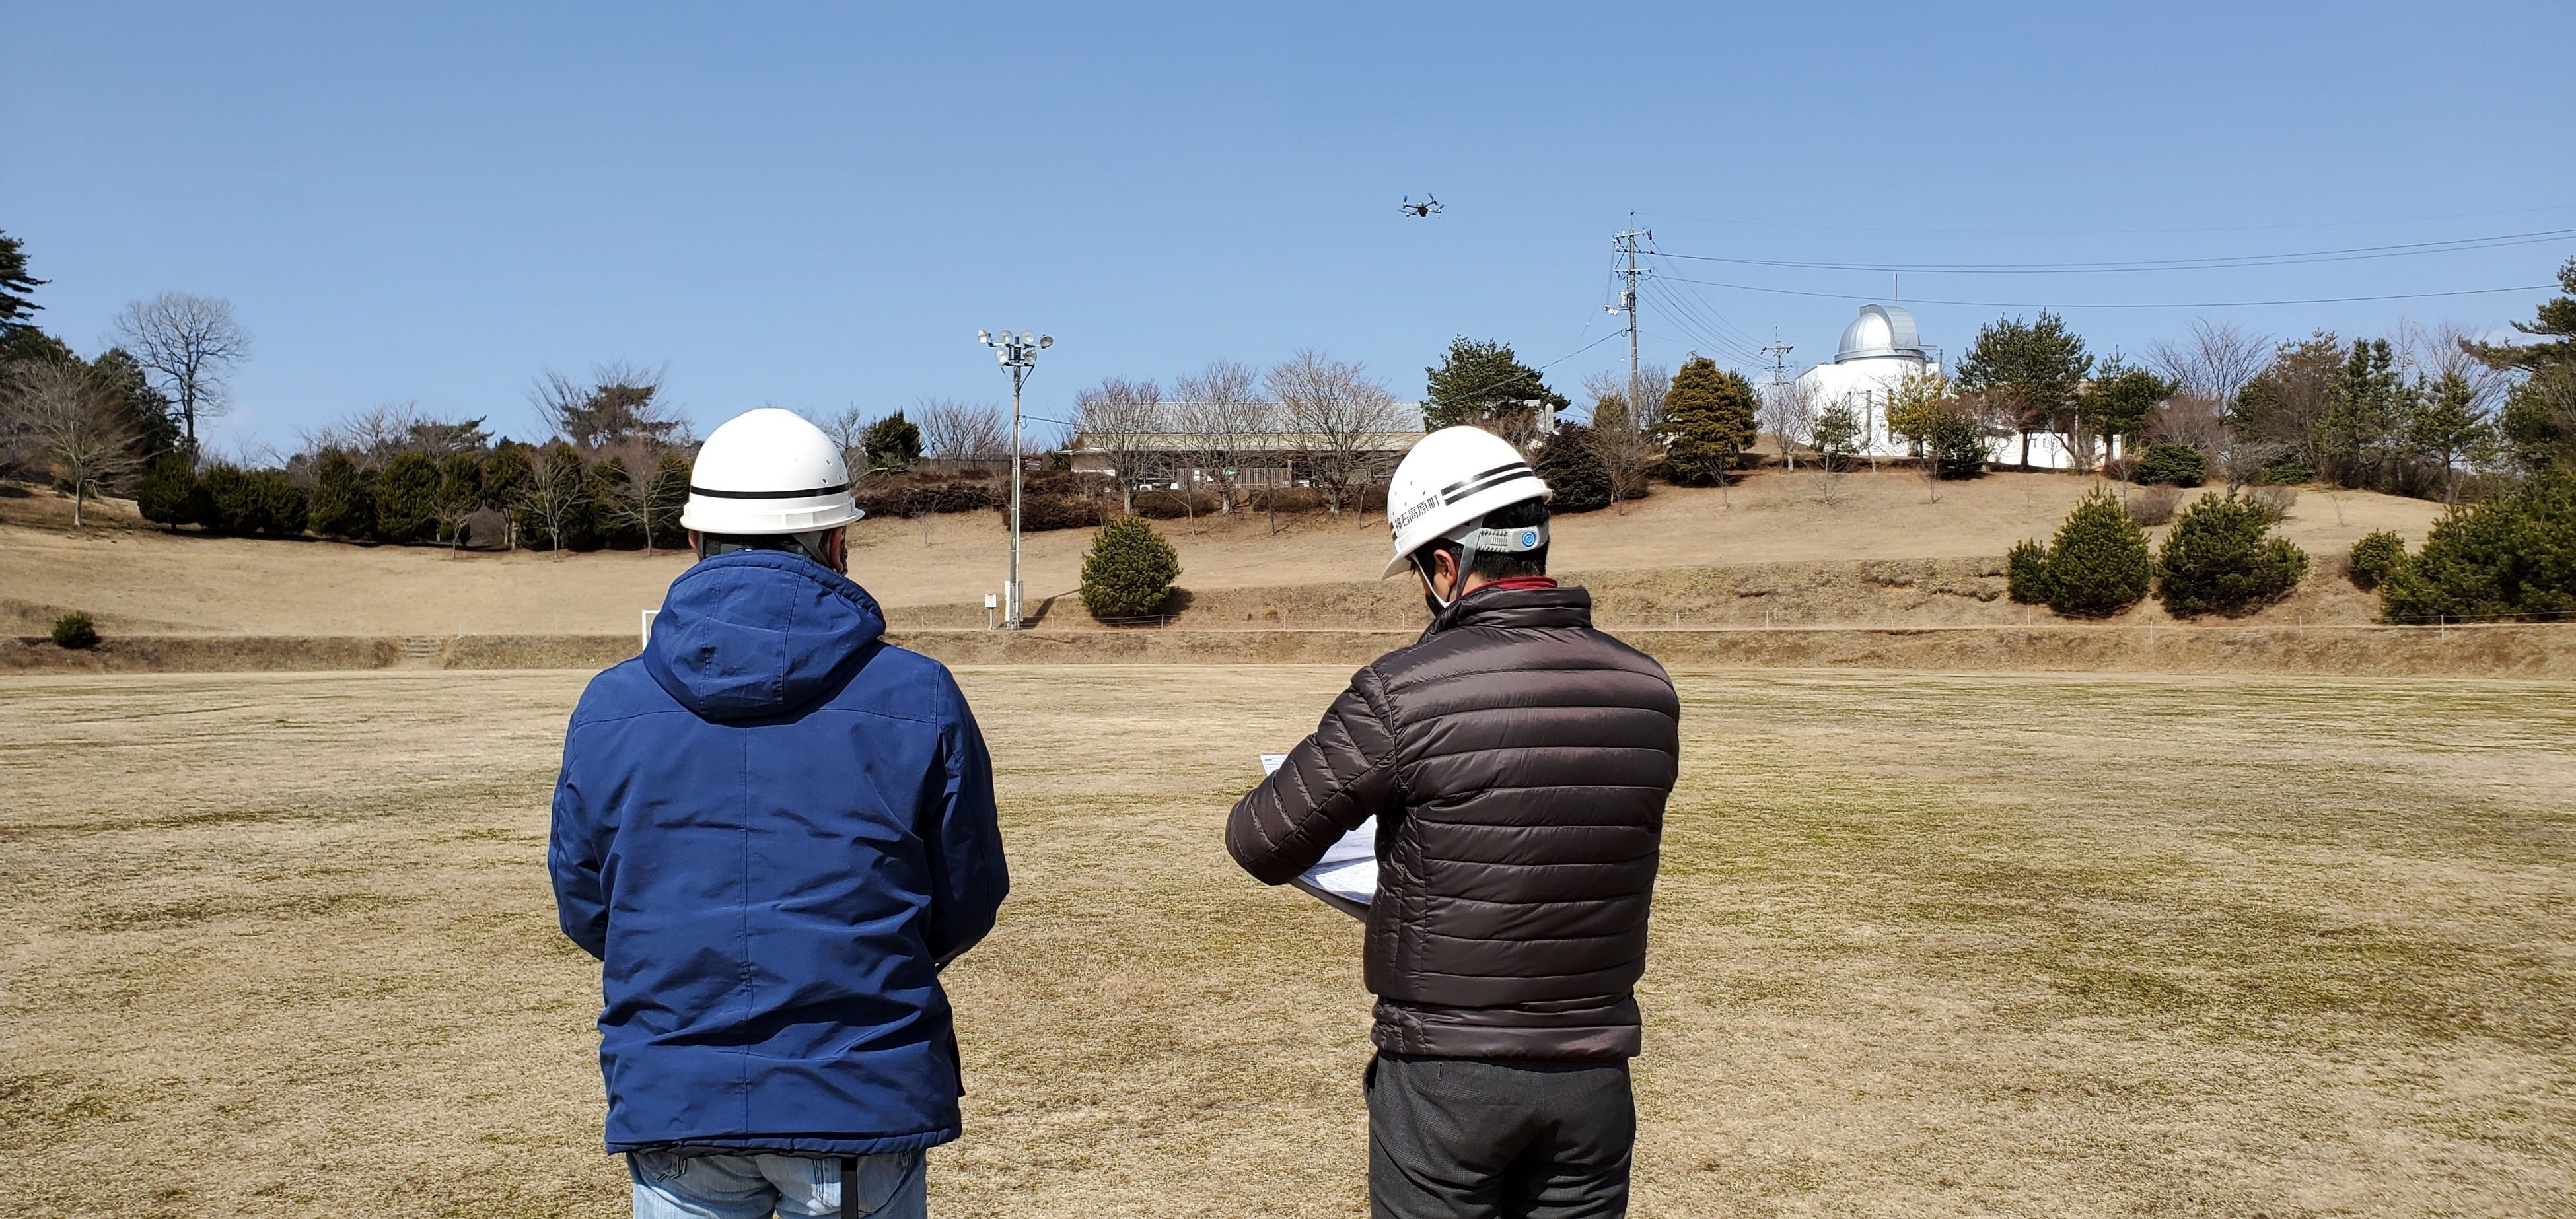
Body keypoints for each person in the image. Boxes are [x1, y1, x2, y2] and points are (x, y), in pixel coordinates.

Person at [550, 407, 1009, 1219]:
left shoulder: (608, 706)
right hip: (856, 1090)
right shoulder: (919, 695)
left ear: (693, 542)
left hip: (677, 1096)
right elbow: (964, 897)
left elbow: (591, 907)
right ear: (838, 543)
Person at [1226, 425, 1680, 1219]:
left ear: (1445, 564)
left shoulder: (1404, 691)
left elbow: (1261, 838)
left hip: (1446, 1073)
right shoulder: (1648, 687)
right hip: (1597, 1069)